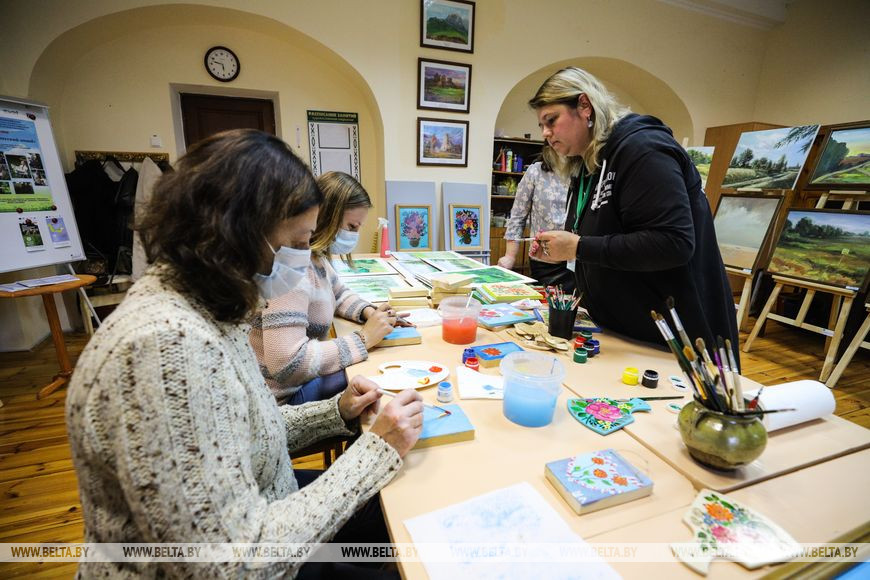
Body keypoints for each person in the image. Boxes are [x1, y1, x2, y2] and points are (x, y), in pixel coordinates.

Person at [65, 129, 423, 579]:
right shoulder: (164, 348)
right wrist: (375, 451)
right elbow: (230, 565)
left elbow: (250, 432)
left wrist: (337, 412)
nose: (304, 258)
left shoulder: (210, 306)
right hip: (248, 555)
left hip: (265, 500)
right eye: (297, 242)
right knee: (396, 534)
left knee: (399, 511)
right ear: (238, 233)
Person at [528, 67, 739, 364]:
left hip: (676, 344)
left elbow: (673, 242)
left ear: (585, 106)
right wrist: (566, 251)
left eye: (551, 120)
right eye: (541, 125)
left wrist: (578, 247)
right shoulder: (588, 165)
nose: (546, 133)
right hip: (622, 335)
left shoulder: (643, 149)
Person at [250, 171, 406, 405]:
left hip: (297, 384)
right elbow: (287, 364)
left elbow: (339, 293)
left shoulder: (317, 259)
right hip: (283, 397)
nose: (354, 235)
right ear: (326, 217)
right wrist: (363, 339)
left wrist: (370, 312)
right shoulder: (293, 273)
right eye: (351, 226)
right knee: (377, 380)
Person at [497, 145, 575, 291]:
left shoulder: (584, 172)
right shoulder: (535, 172)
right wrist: (509, 256)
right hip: (545, 263)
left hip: (577, 262)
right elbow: (518, 215)